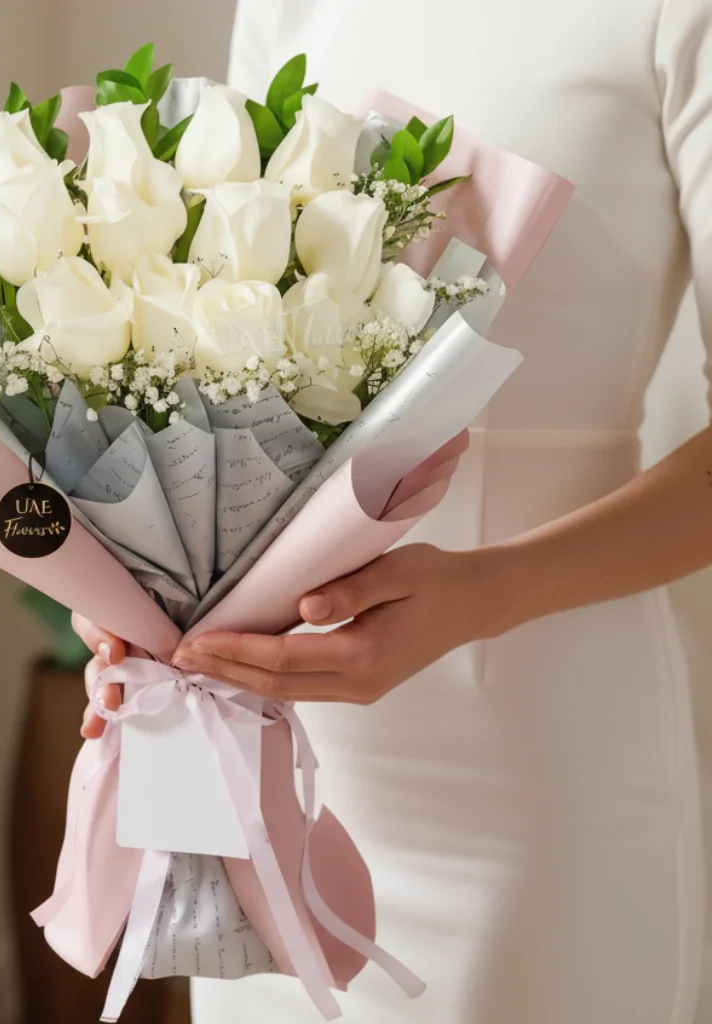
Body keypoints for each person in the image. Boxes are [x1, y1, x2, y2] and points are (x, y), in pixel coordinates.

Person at [74, 0, 712, 1019]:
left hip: (544, 763)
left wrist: (490, 592)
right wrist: (135, 577)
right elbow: (223, 350)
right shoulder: (288, 9)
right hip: (275, 761)